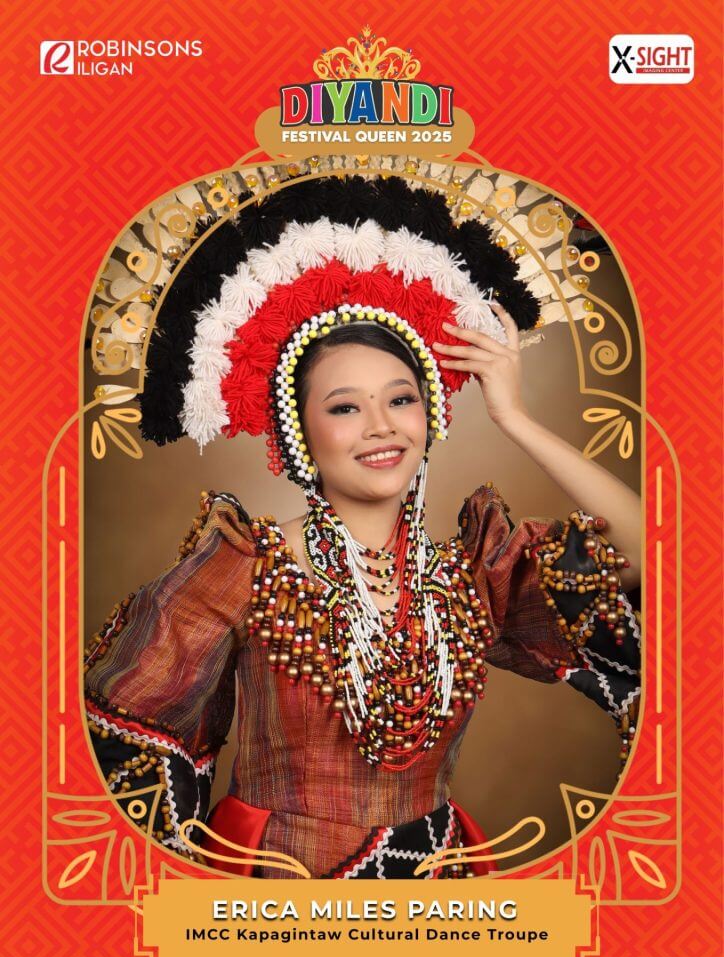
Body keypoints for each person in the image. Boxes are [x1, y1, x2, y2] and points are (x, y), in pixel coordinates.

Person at [84, 174, 640, 880]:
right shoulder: (246, 569)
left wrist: (515, 417)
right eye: (345, 407)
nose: (381, 427)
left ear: (430, 415)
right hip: (277, 899)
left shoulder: (470, 577)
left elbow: (654, 552)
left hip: (440, 892)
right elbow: (124, 741)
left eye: (401, 400)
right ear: (300, 431)